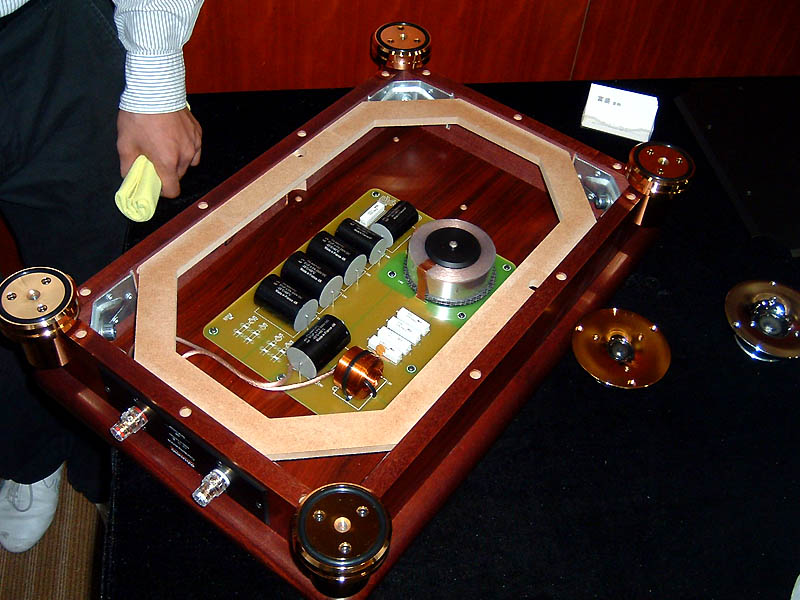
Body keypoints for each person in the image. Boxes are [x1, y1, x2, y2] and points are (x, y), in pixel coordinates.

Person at [0, 0, 204, 553]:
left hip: (41, 33)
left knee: (88, 288)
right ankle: (29, 451)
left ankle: (102, 466)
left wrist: (155, 76)